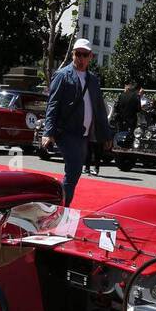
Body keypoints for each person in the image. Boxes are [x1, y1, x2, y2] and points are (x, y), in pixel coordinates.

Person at [41, 38, 112, 205]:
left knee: (76, 171)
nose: (80, 58)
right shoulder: (62, 75)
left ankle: (56, 201)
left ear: (90, 57)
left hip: (83, 134)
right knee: (74, 169)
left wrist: (107, 135)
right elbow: (53, 104)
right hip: (66, 131)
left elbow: (100, 109)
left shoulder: (93, 80)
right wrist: (48, 132)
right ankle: (61, 207)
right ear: (73, 54)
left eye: (84, 54)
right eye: (77, 54)